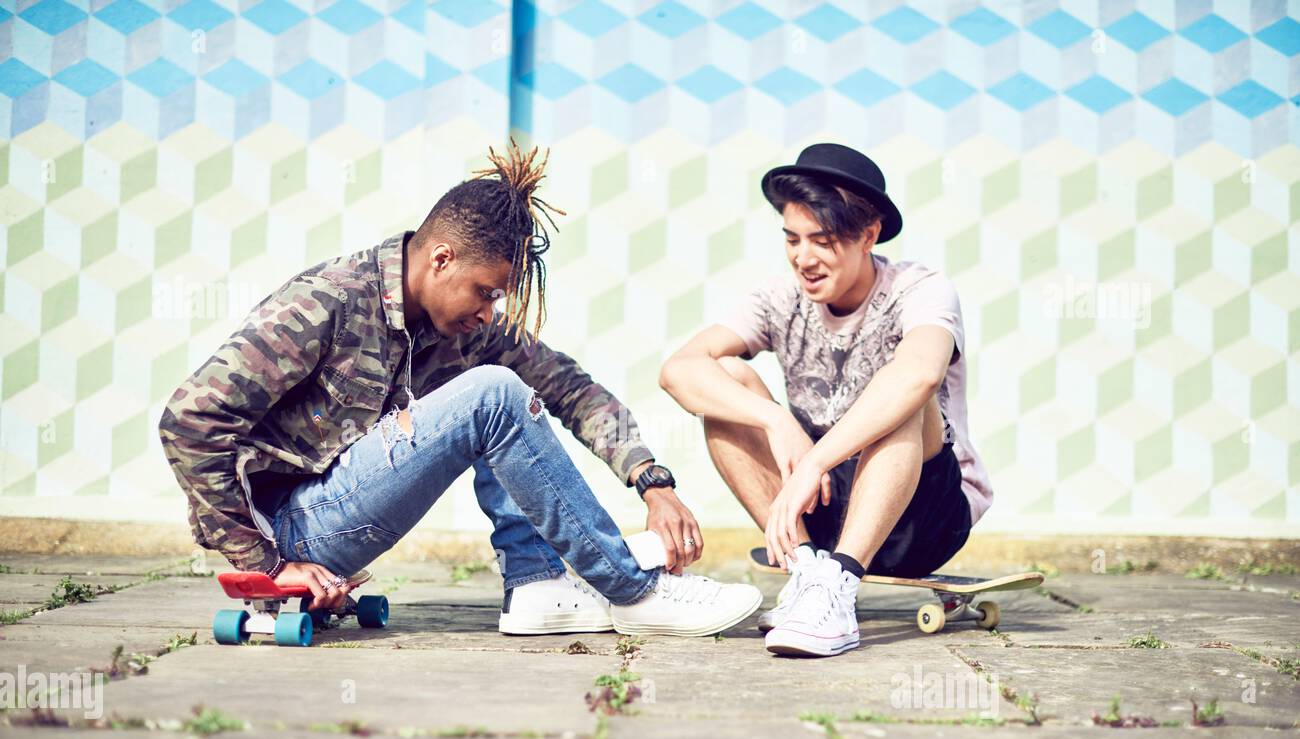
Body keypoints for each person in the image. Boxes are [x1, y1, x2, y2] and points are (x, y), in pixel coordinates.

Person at [160, 142, 760, 639]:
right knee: (492, 394)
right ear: (441, 258)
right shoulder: (329, 301)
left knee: (502, 391)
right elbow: (189, 421)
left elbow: (572, 390)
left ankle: (538, 587)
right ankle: (633, 592)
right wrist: (267, 565)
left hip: (333, 518)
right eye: (486, 291)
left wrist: (652, 480)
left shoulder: (464, 329)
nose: (489, 310)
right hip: (290, 533)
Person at [660, 143, 992, 657]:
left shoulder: (919, 287)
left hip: (923, 515)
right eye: (792, 239)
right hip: (824, 504)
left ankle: (839, 585)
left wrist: (814, 458)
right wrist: (775, 421)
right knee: (726, 378)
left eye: (823, 240)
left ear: (869, 234)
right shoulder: (778, 298)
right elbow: (678, 370)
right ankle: (810, 574)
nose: (803, 258)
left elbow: (921, 374)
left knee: (903, 390)